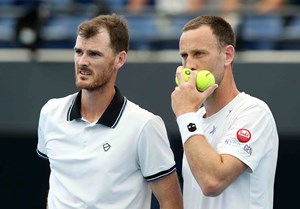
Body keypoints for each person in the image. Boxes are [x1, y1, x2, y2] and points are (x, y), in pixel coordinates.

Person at [36, 14, 183, 209]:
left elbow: (172, 203)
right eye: (79, 52)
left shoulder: (144, 125)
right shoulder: (50, 112)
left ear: (119, 59)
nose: (82, 62)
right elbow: (60, 182)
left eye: (94, 54)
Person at [171, 15, 278, 209]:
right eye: (184, 56)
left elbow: (212, 182)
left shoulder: (254, 112)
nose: (189, 66)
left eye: (199, 54)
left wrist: (185, 113)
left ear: (227, 55)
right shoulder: (193, 119)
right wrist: (189, 115)